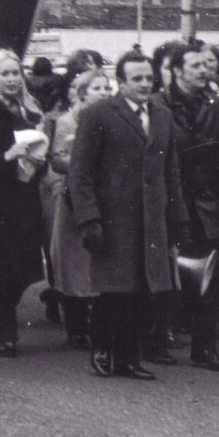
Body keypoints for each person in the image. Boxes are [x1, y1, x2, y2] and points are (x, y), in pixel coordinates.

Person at [69, 51, 189, 380]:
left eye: (148, 78)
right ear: (120, 82)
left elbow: (171, 171)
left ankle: (128, 358)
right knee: (114, 291)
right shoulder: (99, 114)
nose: (143, 84)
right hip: (113, 218)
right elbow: (80, 173)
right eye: (136, 78)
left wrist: (178, 218)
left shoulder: (162, 116)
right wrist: (89, 219)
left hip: (152, 220)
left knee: (141, 290)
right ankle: (103, 348)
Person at [154, 44, 219, 372]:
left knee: (209, 276)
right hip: (169, 200)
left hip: (205, 203)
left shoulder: (215, 105)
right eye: (196, 66)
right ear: (177, 71)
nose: (204, 71)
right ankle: (157, 339)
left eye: (206, 65)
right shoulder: (158, 105)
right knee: (165, 272)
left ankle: (205, 347)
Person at [0, 48, 48, 357]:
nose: (13, 79)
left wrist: (37, 158)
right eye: (6, 74)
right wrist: (8, 157)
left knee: (25, 265)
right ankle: (5, 328)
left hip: (26, 192)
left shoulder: (29, 107)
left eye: (16, 73)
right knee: (2, 264)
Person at [46, 69, 110, 350]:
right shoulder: (65, 122)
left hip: (102, 198)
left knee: (96, 261)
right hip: (73, 199)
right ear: (82, 92)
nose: (105, 92)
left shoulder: (111, 120)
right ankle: (76, 326)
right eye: (98, 88)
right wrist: (84, 166)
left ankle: (96, 322)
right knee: (73, 264)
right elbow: (57, 159)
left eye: (107, 88)